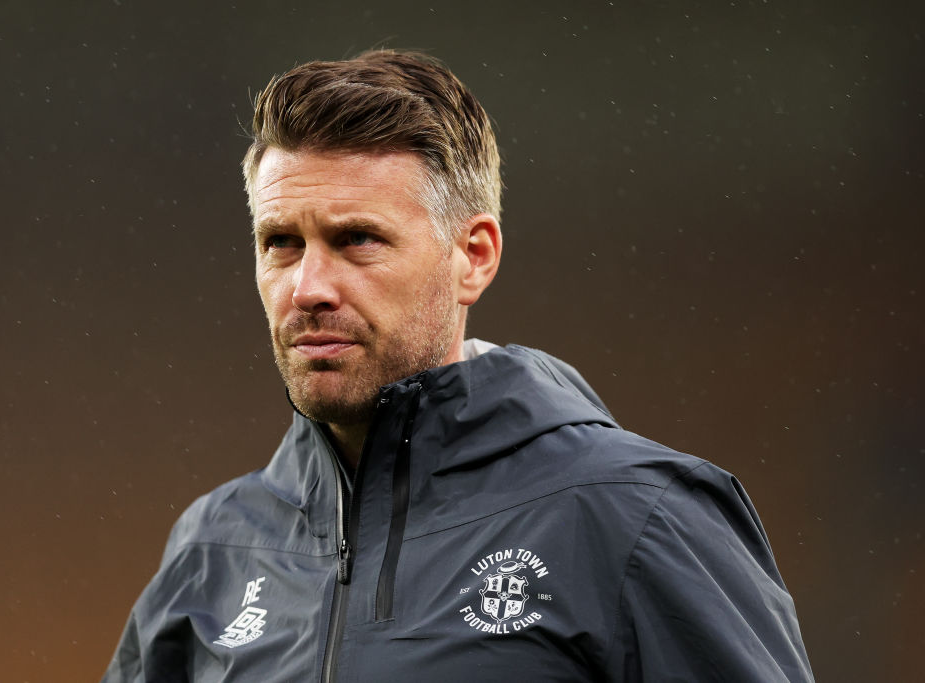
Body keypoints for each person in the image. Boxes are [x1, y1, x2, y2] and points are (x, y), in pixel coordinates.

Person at [102, 50, 813, 682]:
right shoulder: (214, 543)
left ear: (473, 255)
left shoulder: (635, 517)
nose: (308, 286)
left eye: (357, 240)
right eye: (282, 242)